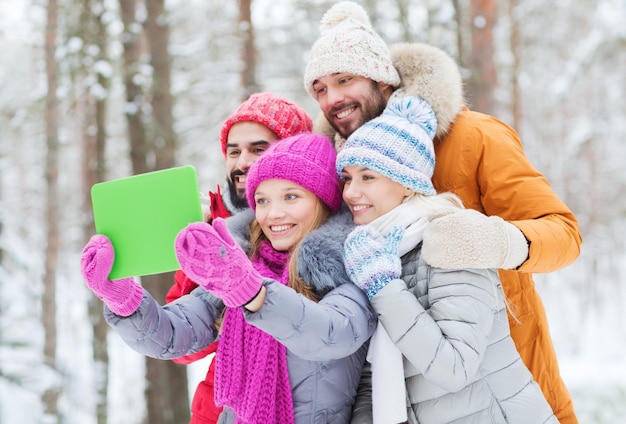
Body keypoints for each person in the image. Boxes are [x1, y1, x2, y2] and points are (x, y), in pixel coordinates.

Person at [304, 2, 582, 422]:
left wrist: (497, 241)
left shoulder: (473, 136)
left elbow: (563, 235)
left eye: (345, 80)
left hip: (504, 373)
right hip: (408, 392)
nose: (334, 99)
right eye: (320, 89)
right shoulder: (339, 167)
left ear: (384, 80)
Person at [80, 133, 376, 423]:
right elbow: (176, 333)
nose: (273, 213)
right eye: (262, 200)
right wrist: (123, 299)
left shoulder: (349, 266)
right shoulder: (239, 263)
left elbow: (332, 334)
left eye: (290, 197)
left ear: (323, 200)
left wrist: (252, 293)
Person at [337, 93, 558, 423]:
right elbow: (378, 372)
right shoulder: (376, 252)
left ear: (408, 184)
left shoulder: (449, 239)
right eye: (348, 177)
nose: (351, 192)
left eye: (368, 177)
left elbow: (454, 367)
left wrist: (383, 287)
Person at [164, 92, 313, 423]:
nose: (242, 162)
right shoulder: (214, 224)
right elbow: (186, 348)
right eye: (234, 151)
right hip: (217, 412)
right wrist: (199, 256)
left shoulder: (316, 234)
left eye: (258, 149)